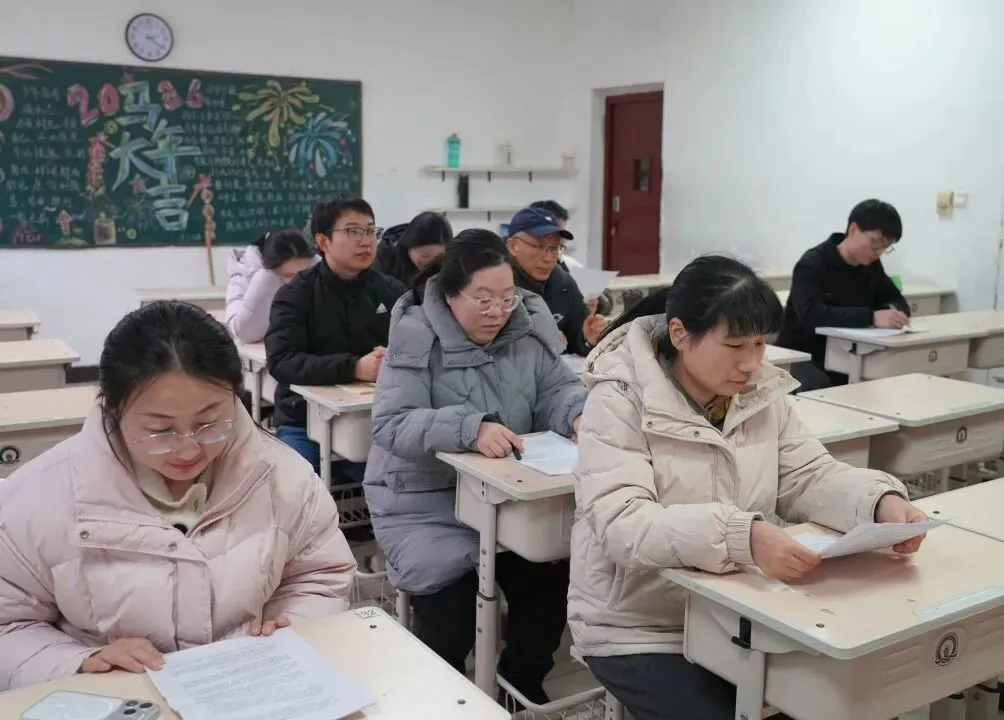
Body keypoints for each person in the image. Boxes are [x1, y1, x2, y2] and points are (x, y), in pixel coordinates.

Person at [568, 254, 929, 720]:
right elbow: (623, 525)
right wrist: (742, 536)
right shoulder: (618, 399)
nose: (752, 362)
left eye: (760, 343)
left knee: (837, 698)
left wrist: (878, 503)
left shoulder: (758, 393)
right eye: (735, 345)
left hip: (741, 611)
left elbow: (806, 474)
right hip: (640, 625)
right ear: (679, 334)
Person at [0, 301, 357, 691]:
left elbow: (319, 576)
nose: (189, 450)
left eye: (210, 423)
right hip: (119, 701)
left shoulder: (283, 478)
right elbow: (8, 625)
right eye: (160, 430)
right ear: (112, 409)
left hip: (252, 691)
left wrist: (293, 624)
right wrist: (79, 661)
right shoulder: (38, 499)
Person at [363, 229, 586, 707]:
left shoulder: (526, 326)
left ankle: (517, 690)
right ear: (450, 294)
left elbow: (557, 388)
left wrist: (577, 414)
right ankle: (441, 703)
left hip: (508, 499)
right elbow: (390, 423)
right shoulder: (416, 333)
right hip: (424, 502)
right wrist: (470, 427)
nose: (497, 311)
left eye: (506, 298)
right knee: (451, 609)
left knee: (549, 587)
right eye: (483, 300)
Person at [266, 194, 407, 480]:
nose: (366, 241)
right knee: (297, 483)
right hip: (303, 419)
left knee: (399, 480)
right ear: (323, 241)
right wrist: (354, 367)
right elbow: (282, 361)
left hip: (374, 418)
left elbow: (419, 349)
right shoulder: (296, 294)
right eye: (353, 232)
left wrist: (395, 358)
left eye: (371, 231)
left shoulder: (393, 292)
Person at [776, 199, 910, 392]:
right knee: (821, 385)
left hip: (849, 354)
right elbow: (812, 314)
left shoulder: (871, 266)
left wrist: (891, 312)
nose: (878, 252)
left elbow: (896, 299)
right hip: (804, 355)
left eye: (886, 247)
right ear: (853, 230)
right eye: (875, 243)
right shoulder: (813, 264)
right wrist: (871, 317)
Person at [505, 206, 607, 356]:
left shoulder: (563, 283)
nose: (548, 258)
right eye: (539, 247)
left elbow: (577, 341)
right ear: (513, 246)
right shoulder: (495, 285)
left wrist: (588, 339)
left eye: (554, 248)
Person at [224, 228, 317, 344]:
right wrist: (265, 283)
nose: (298, 281)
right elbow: (244, 332)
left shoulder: (316, 268)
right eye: (288, 275)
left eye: (303, 274)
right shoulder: (245, 275)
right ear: (269, 268)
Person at [375, 211, 453, 285]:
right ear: (408, 246)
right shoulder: (382, 260)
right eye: (424, 256)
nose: (431, 263)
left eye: (438, 258)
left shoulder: (452, 262)